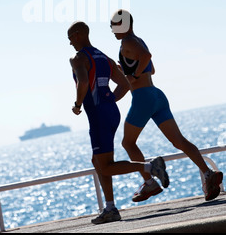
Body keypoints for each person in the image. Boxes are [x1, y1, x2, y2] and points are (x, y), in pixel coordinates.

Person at [110, 9, 223, 203]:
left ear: (123, 25)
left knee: (127, 143)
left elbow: (146, 56)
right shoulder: (138, 40)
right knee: (179, 140)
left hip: (143, 98)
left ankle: (149, 182)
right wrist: (129, 72)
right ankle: (207, 173)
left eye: (113, 25)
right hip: (156, 95)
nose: (112, 30)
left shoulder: (127, 42)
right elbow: (151, 68)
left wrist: (133, 76)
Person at [68, 21, 170, 224]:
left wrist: (78, 104)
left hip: (98, 114)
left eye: (70, 37)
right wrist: (109, 101)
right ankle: (110, 207)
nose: (70, 42)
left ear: (79, 34)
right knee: (98, 162)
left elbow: (84, 82)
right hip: (110, 112)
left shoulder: (78, 58)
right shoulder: (104, 57)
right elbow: (124, 83)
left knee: (104, 166)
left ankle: (150, 167)